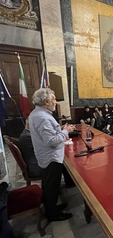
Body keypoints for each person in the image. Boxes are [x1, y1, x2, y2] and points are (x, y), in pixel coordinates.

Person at [29, 88, 75, 221]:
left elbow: (49, 134)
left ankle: (51, 207)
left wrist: (60, 130)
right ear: (46, 101)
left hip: (46, 156)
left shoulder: (38, 113)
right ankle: (52, 214)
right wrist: (65, 131)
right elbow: (51, 141)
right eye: (54, 99)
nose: (56, 101)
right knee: (51, 187)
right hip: (51, 157)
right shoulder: (43, 117)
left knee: (49, 185)